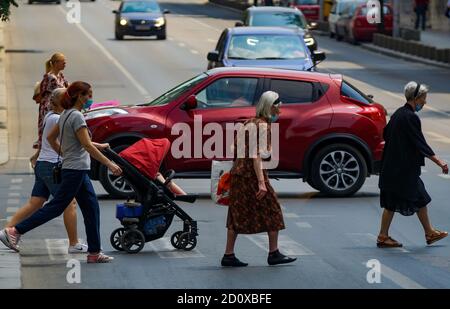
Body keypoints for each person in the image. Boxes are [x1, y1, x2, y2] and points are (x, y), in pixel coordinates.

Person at [0, 81, 123, 263]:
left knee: (91, 208)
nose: (90, 99)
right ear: (79, 96)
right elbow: (86, 145)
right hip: (75, 170)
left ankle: (94, 253)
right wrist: (110, 164)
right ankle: (15, 231)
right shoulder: (76, 117)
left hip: (76, 168)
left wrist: (65, 152)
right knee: (56, 207)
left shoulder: (66, 114)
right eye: (88, 95)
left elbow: (51, 138)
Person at [221, 91, 297, 267]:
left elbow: (233, 147)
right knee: (273, 210)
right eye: (278, 107)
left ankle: (228, 255)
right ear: (270, 107)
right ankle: (274, 253)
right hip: (252, 176)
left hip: (238, 175)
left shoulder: (248, 122)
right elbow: (256, 156)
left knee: (236, 214)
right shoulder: (263, 126)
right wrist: (261, 183)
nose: (280, 110)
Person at [6, 88, 86, 253]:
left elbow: (46, 140)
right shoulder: (58, 118)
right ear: (62, 101)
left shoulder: (49, 116)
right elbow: (72, 141)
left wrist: (37, 154)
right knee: (69, 203)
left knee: (36, 202)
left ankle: (7, 231)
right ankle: (73, 243)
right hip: (51, 166)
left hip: (43, 164)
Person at [377, 81, 448, 248]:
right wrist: (440, 162)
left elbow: (386, 134)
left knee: (391, 202)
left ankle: (383, 236)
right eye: (423, 98)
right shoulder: (410, 117)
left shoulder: (398, 114)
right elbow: (419, 143)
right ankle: (429, 233)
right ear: (416, 98)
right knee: (420, 198)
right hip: (403, 170)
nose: (425, 102)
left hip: (392, 168)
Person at [35, 53, 69, 149]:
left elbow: (68, 87)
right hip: (48, 108)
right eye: (63, 61)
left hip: (57, 107)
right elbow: (61, 91)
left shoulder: (60, 75)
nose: (65, 63)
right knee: (48, 134)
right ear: (55, 63)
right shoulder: (51, 78)